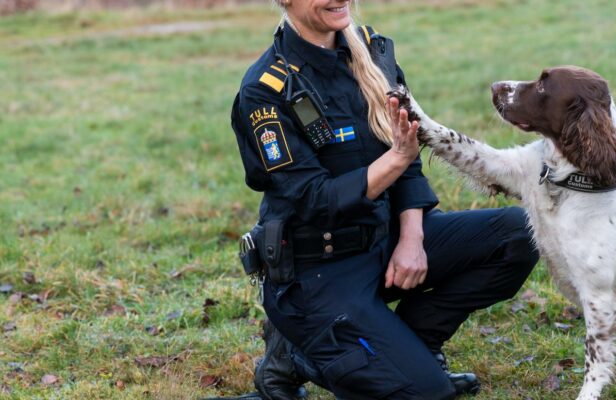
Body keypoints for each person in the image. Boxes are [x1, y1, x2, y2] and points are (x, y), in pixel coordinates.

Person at [227, 1, 540, 399]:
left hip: (382, 242)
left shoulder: (373, 52)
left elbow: (407, 163)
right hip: (318, 274)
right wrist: (394, 160)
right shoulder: (265, 90)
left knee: (519, 234)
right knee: (426, 394)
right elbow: (314, 200)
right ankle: (299, 355)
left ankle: (417, 344)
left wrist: (412, 240)